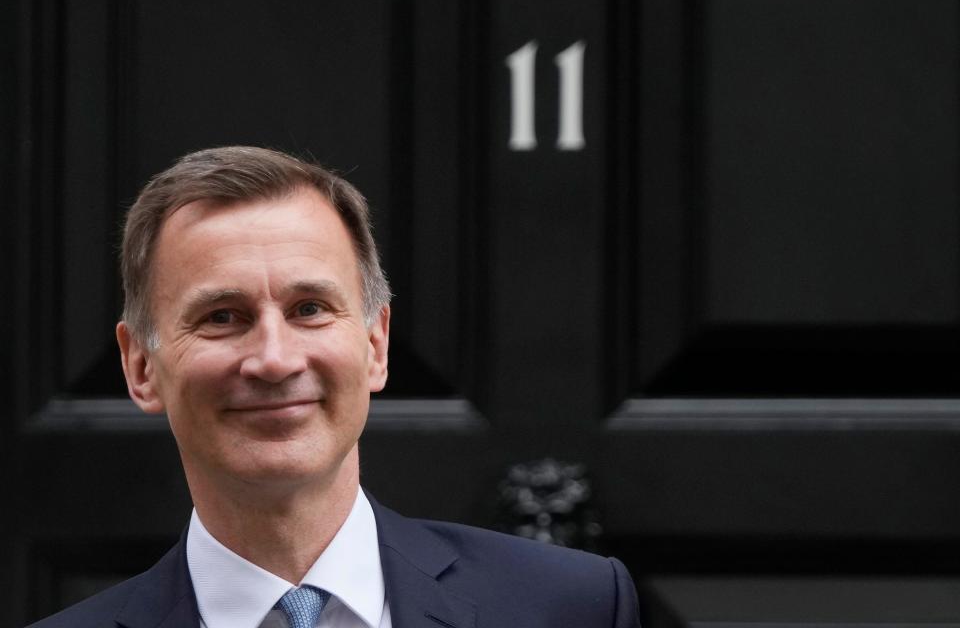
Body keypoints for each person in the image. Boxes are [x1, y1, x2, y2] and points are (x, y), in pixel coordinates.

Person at [29, 146, 641, 628]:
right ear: (140, 367)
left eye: (310, 309)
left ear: (375, 345)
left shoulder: (572, 608)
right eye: (222, 317)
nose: (273, 360)